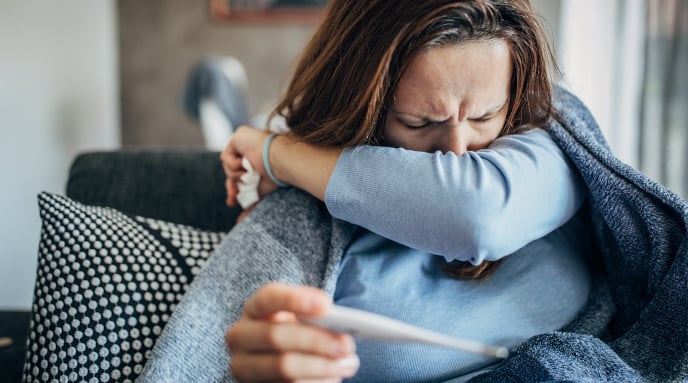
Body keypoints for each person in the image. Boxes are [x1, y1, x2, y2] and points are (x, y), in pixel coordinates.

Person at [220, 0, 590, 382]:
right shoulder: (304, 218)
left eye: (483, 117)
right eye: (419, 123)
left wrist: (276, 153)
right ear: (360, 105)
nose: (457, 151)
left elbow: (476, 214)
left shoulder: (548, 146)